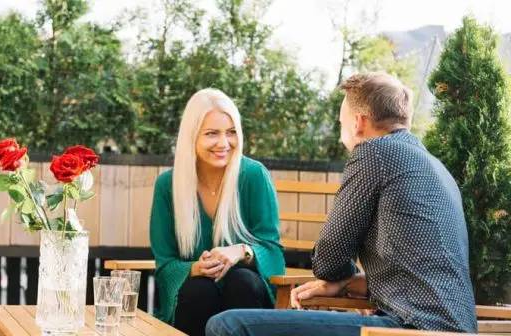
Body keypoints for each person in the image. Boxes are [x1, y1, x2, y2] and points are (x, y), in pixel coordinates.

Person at [206, 72, 478, 336]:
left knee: (227, 326)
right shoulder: (437, 168)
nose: (340, 135)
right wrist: (356, 283)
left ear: (358, 123)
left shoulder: (374, 152)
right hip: (448, 328)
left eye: (340, 124)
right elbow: (420, 272)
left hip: (410, 329)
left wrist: (339, 277)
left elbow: (328, 261)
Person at [149, 88, 286, 336]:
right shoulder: (167, 186)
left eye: (231, 132)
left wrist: (241, 251)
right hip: (194, 299)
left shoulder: (254, 176)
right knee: (199, 289)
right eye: (212, 134)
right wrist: (194, 269)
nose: (224, 143)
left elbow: (274, 255)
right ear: (192, 137)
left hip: (247, 296)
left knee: (240, 280)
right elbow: (165, 264)